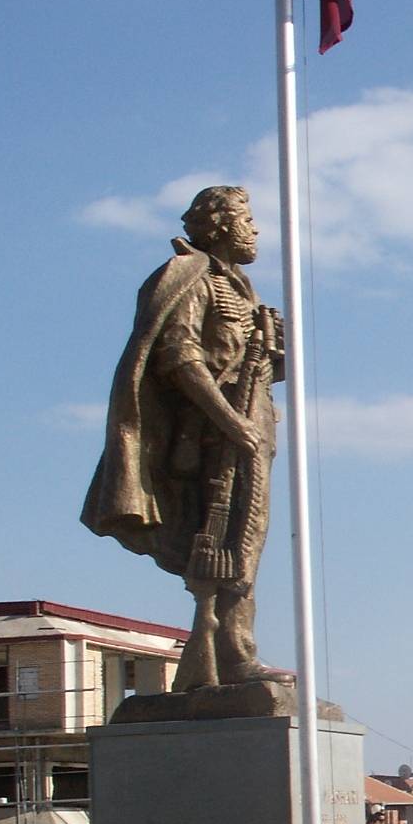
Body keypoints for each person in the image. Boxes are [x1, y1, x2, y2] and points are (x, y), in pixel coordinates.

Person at [82, 185, 289, 693]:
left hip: (249, 429)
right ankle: (232, 656)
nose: (256, 230)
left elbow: (243, 361)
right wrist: (228, 421)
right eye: (247, 219)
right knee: (225, 545)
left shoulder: (241, 288)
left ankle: (231, 654)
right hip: (211, 438)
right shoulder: (189, 277)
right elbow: (180, 357)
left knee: (247, 543)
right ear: (219, 227)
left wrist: (270, 356)